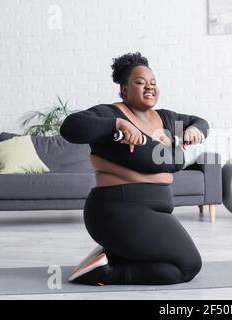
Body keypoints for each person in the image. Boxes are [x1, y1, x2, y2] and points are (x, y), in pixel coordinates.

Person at [59, 52, 209, 286]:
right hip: (118, 210)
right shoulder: (111, 114)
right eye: (140, 82)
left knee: (174, 265)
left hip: (154, 211)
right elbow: (71, 127)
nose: (149, 87)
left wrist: (195, 129)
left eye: (153, 82)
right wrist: (116, 124)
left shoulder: (167, 118)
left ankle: (107, 258)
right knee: (187, 266)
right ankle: (103, 273)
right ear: (124, 90)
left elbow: (200, 121)